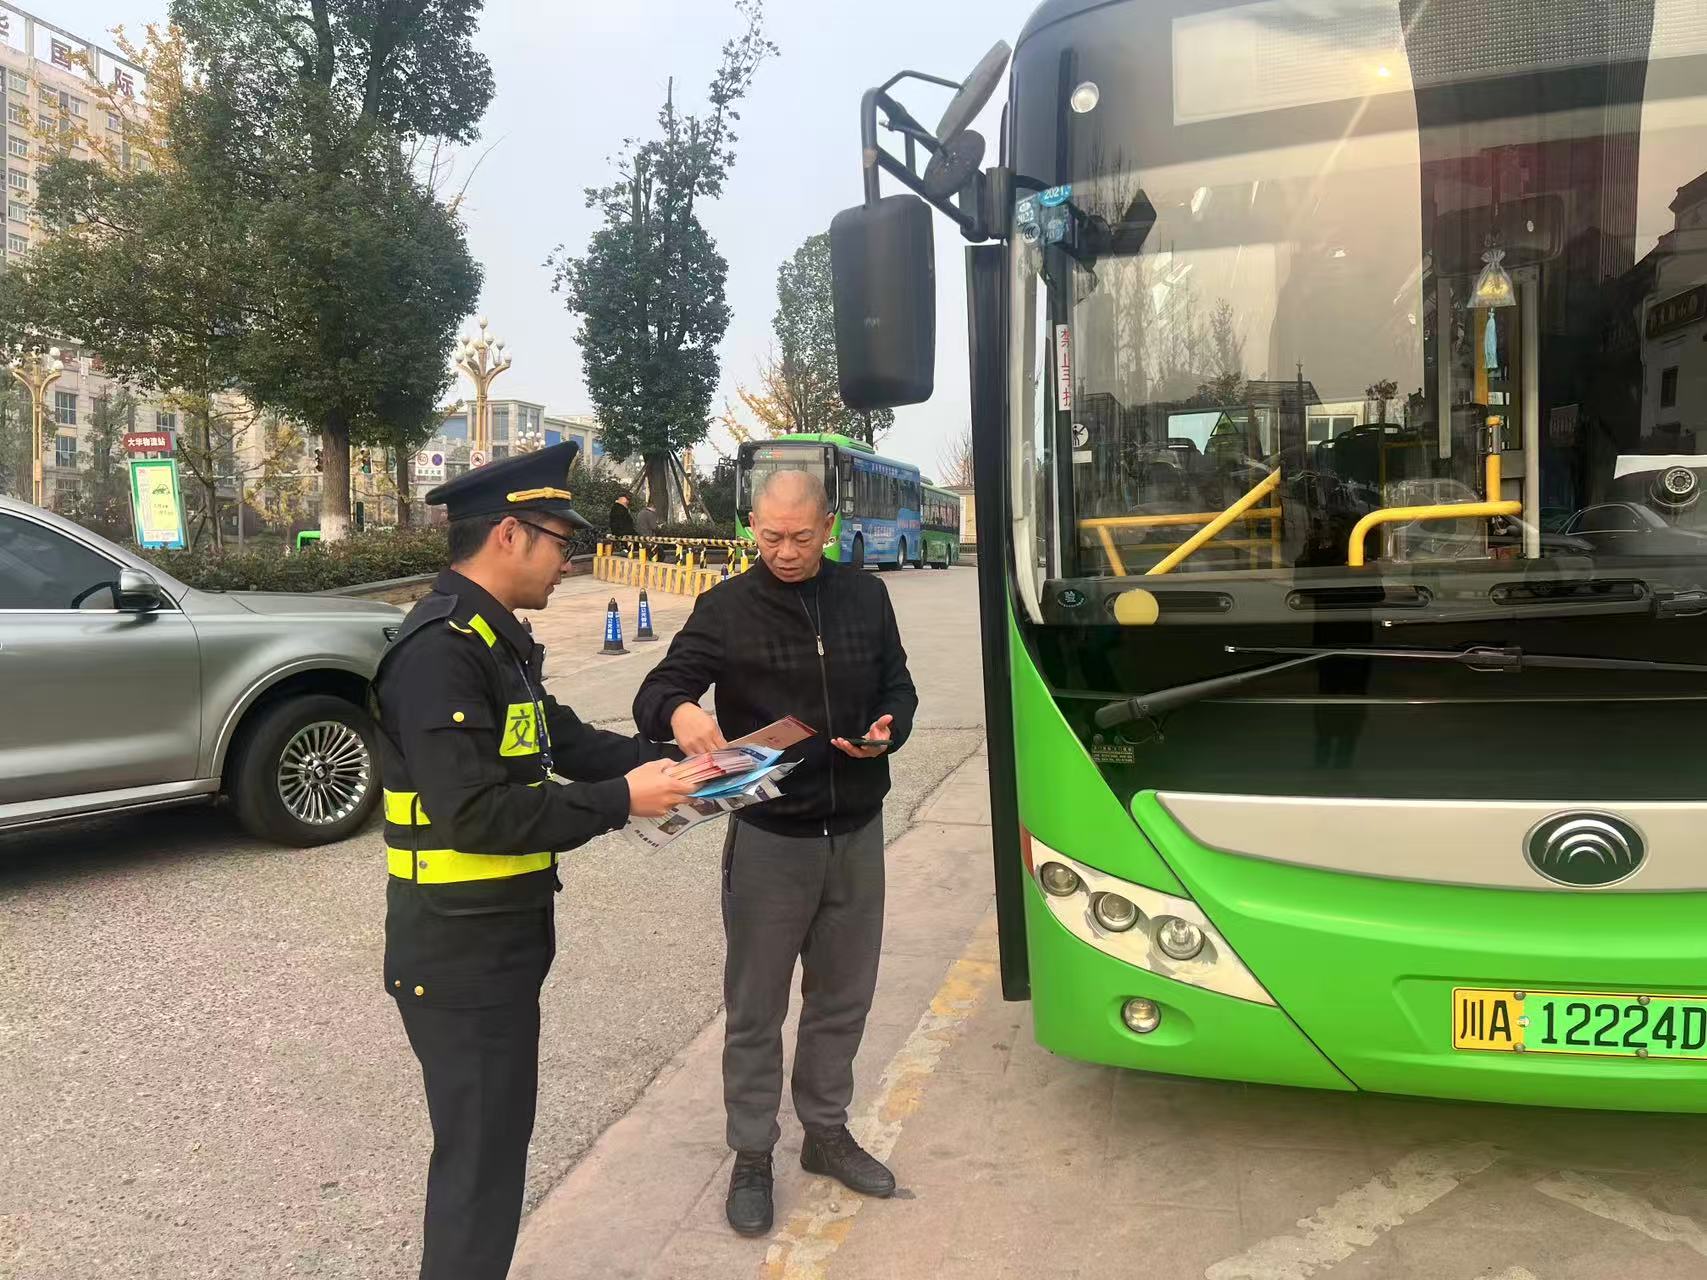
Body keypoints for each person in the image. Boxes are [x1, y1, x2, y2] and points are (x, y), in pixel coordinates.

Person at [375, 440, 694, 1280]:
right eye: (561, 540)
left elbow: (563, 739)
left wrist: (679, 764)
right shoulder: (441, 651)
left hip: (494, 945)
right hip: (458, 955)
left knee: (492, 1153)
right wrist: (622, 801)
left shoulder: (493, 640)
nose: (569, 558)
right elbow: (475, 813)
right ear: (509, 535)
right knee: (479, 1172)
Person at [633, 468, 918, 1237]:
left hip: (856, 831)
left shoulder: (866, 596)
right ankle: (752, 1152)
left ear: (827, 527)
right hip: (770, 840)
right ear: (751, 529)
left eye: (799, 537)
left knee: (842, 996)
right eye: (768, 537)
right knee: (756, 1007)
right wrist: (682, 711)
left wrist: (888, 727)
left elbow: (898, 686)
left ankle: (825, 1132)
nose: (784, 552)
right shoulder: (727, 607)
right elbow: (657, 690)